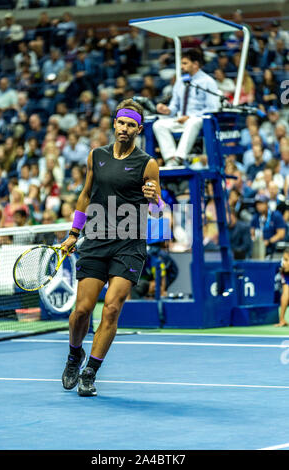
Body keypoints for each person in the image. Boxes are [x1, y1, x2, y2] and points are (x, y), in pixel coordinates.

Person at [60, 98, 164, 397]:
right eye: (121, 123)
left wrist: (155, 200)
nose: (125, 128)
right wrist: (72, 233)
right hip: (94, 240)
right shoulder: (96, 156)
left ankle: (91, 371)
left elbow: (159, 214)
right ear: (114, 124)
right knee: (81, 311)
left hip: (129, 243)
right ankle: (74, 355)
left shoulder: (148, 164)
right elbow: (85, 195)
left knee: (113, 307)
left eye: (131, 125)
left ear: (139, 130)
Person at [152, 48, 219, 167]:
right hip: (181, 119)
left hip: (199, 120)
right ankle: (171, 158)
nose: (182, 66)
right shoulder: (180, 81)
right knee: (158, 125)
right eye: (181, 63)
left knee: (193, 122)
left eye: (185, 63)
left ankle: (179, 157)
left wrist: (190, 117)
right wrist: (167, 110)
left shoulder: (208, 82)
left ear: (195, 64)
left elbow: (212, 107)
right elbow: (175, 106)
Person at [275, 247, 289, 327]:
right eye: (283, 259)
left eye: (286, 260)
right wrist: (281, 319)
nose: (283, 263)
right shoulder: (284, 271)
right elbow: (285, 294)